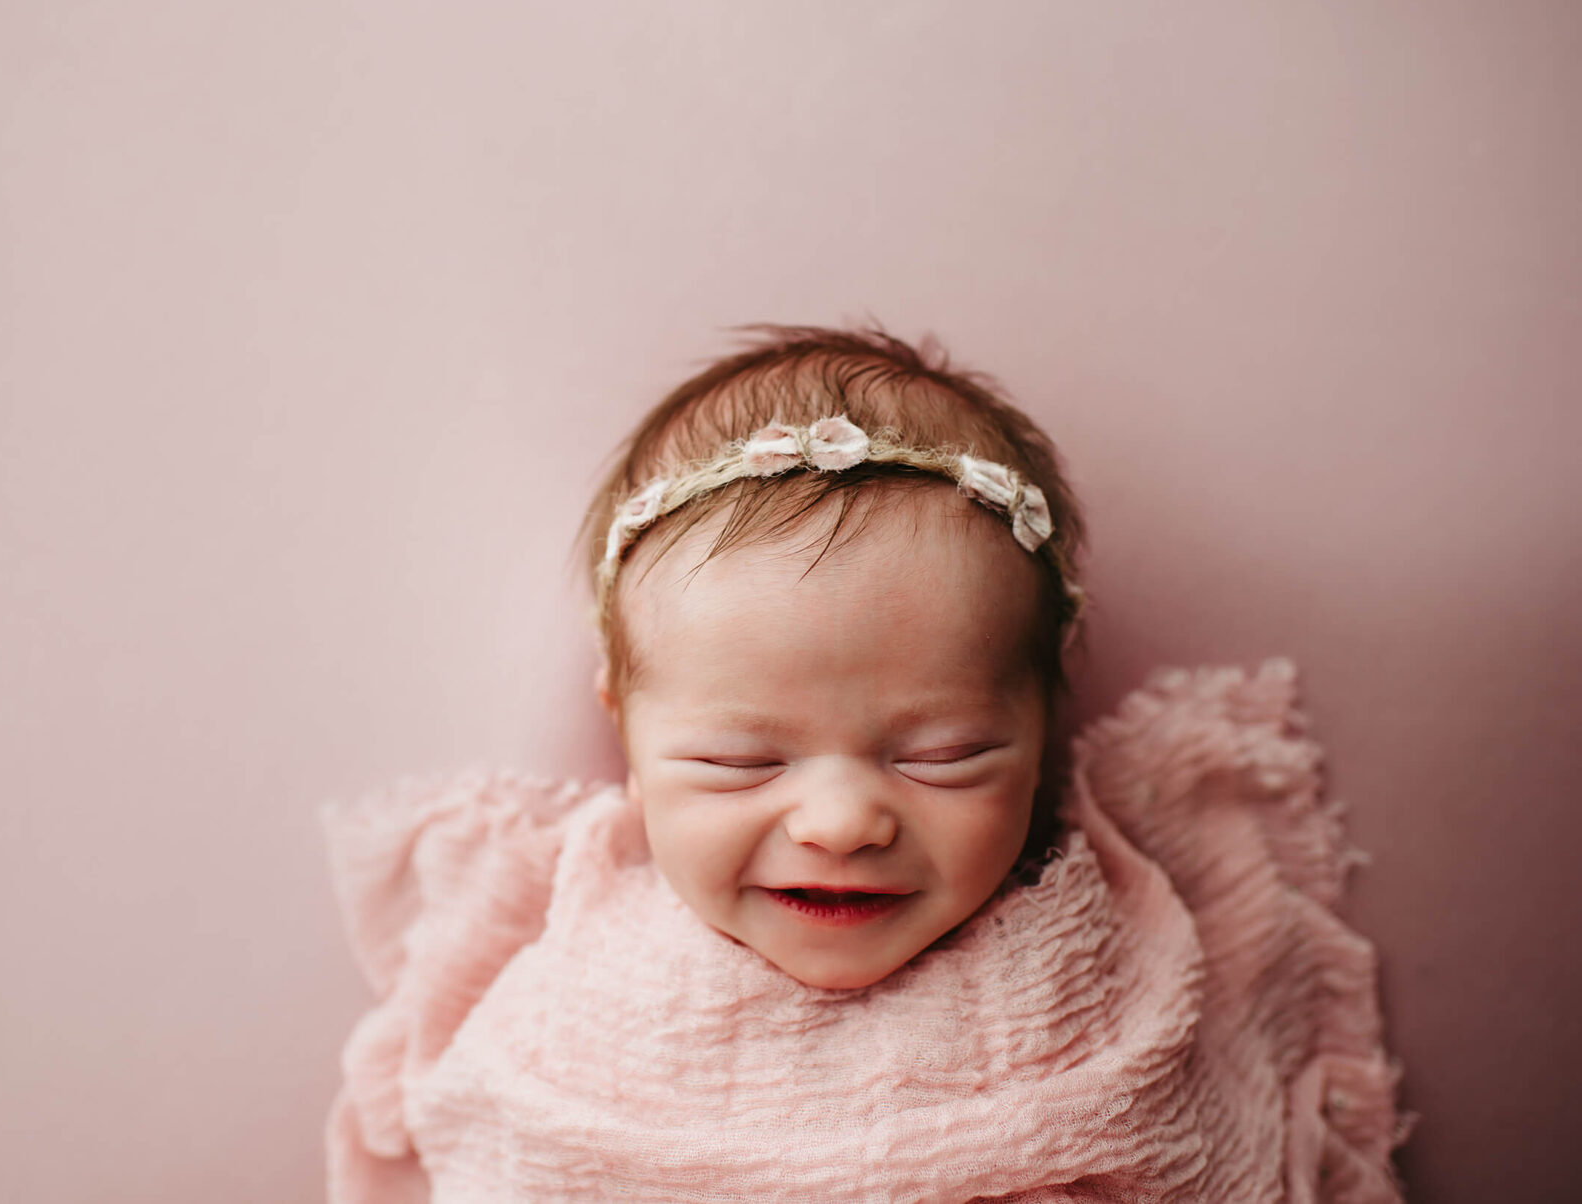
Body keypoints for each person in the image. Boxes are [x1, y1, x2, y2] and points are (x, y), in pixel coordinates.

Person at [324, 326, 1408, 1202]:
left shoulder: (1092, 973)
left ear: (1038, 731)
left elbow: (1190, 1160)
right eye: (740, 759)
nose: (841, 821)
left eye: (943, 755)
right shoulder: (579, 989)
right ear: (627, 737)